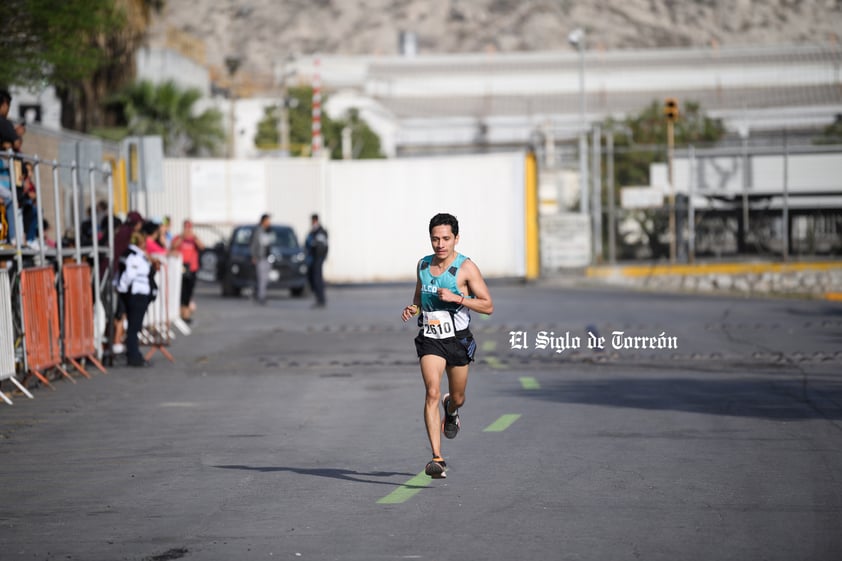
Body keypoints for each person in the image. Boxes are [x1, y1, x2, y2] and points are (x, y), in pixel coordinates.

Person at [401, 213, 494, 479]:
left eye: (445, 238)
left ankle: (451, 410)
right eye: (435, 239)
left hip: (457, 340)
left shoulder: (466, 268)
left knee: (459, 397)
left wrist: (458, 297)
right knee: (431, 392)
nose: (440, 244)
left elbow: (488, 305)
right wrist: (413, 308)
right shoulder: (423, 265)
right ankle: (437, 459)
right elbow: (419, 297)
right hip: (430, 338)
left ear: (456, 238)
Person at [116, 224, 157, 367]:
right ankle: (134, 356)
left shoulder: (137, 255)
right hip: (137, 294)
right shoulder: (134, 256)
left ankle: (133, 354)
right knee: (134, 327)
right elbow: (129, 275)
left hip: (138, 293)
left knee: (135, 326)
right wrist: (122, 288)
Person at [171, 219, 204, 323]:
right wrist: (182, 237)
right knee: (181, 292)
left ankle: (186, 314)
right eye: (186, 227)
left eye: (189, 227)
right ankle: (182, 314)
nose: (188, 230)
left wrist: (194, 238)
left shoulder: (194, 239)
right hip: (181, 268)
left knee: (189, 292)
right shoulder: (178, 237)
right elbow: (173, 247)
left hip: (192, 268)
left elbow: (202, 247)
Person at [0, 89, 22, 244]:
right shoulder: (3, 122)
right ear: (4, 104)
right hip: (4, 176)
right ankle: (14, 238)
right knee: (10, 198)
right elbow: (16, 143)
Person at [305, 213, 329, 308]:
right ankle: (319, 298)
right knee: (314, 278)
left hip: (318, 258)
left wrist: (322, 256)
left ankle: (321, 299)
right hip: (313, 258)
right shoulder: (313, 231)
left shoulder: (320, 231)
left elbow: (322, 246)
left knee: (317, 279)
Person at [250, 213, 272, 305]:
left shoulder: (267, 231)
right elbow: (254, 244)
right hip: (260, 258)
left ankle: (259, 294)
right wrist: (254, 256)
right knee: (262, 279)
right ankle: (261, 297)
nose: (269, 222)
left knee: (265, 279)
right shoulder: (259, 231)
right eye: (268, 221)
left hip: (267, 258)